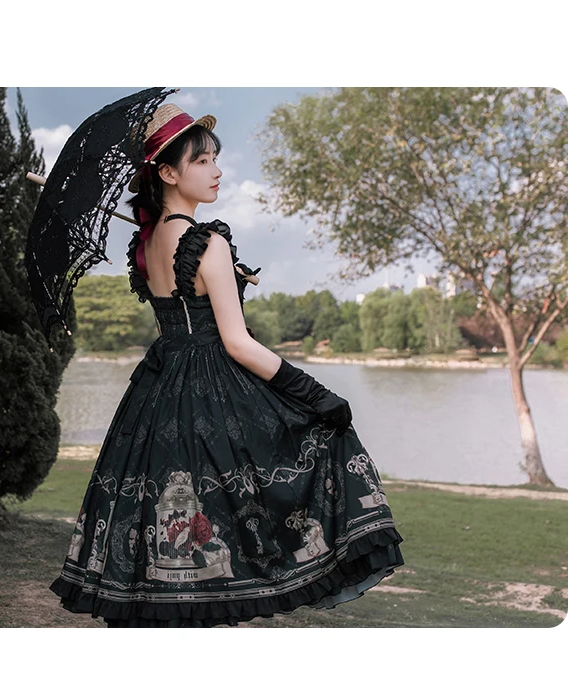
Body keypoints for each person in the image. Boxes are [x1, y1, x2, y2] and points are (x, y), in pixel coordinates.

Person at [48, 103, 404, 627]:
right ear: (168, 173)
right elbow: (236, 343)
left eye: (214, 158)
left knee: (175, 516)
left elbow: (184, 312)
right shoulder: (207, 242)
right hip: (213, 393)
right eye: (201, 161)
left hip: (159, 396)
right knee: (261, 486)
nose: (216, 170)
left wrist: (224, 273)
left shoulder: (149, 242)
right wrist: (317, 395)